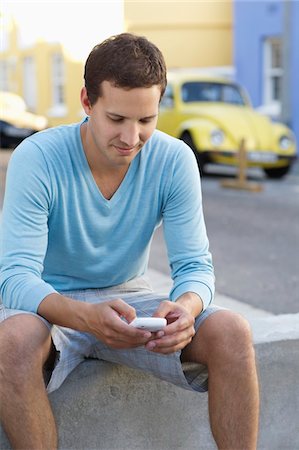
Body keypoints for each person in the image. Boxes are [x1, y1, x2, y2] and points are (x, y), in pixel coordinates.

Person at [0, 33, 259, 449]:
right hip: (49, 303)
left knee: (232, 331)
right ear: (87, 101)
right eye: (117, 119)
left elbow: (194, 266)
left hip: (127, 301)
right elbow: (14, 277)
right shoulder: (37, 157)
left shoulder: (174, 160)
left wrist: (187, 310)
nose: (132, 137)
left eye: (146, 120)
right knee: (10, 342)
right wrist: (84, 317)